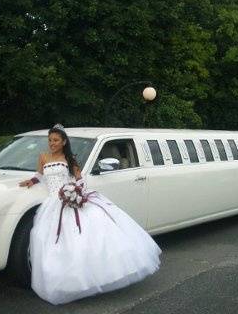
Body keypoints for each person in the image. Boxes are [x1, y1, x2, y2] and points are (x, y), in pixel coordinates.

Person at [18, 124, 161, 305]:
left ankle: (86, 281)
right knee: (50, 242)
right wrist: (29, 182)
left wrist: (75, 193)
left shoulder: (69, 158)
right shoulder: (43, 157)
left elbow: (80, 180)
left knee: (81, 240)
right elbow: (39, 175)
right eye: (50, 140)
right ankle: (62, 282)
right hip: (52, 204)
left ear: (63, 142)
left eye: (55, 140)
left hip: (70, 200)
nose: (52, 143)